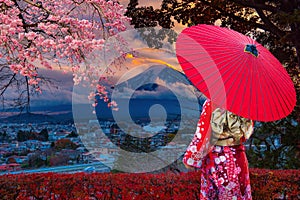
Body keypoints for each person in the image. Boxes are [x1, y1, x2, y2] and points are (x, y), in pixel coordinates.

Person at [183, 100, 253, 199]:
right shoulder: (245, 103)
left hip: (218, 157)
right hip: (238, 155)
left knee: (216, 193)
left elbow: (203, 133)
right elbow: (245, 135)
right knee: (239, 194)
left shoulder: (213, 101)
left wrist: (191, 157)